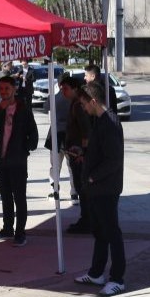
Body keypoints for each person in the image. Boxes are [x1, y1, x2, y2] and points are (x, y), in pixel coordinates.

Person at [72, 82, 127, 296]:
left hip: (106, 188)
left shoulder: (110, 122)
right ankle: (96, 273)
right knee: (100, 232)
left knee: (111, 232)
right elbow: (101, 152)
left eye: (85, 104)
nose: (84, 108)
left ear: (94, 101)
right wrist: (84, 155)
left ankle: (118, 278)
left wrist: (93, 176)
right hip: (97, 187)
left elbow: (113, 160)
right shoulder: (100, 121)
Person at [0, 76, 39, 247]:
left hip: (18, 161)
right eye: (1, 89)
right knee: (5, 196)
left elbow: (34, 134)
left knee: (19, 197)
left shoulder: (23, 108)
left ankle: (20, 232)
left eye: (7, 88)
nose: (3, 92)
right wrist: (0, 109)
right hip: (2, 160)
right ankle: (7, 228)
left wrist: (25, 149)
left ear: (14, 89)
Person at [60, 76, 93, 234]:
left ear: (75, 89)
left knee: (82, 187)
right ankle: (86, 218)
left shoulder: (79, 105)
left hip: (79, 154)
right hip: (75, 152)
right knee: (81, 188)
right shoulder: (75, 103)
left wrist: (83, 153)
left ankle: (87, 220)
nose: (63, 92)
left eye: (65, 88)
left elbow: (86, 130)